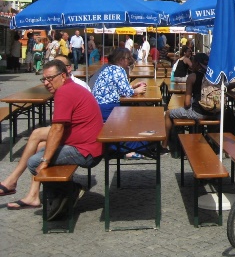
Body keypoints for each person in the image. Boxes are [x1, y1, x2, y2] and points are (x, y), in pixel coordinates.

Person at [1, 59, 103, 211]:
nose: (47, 83)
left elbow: (57, 129)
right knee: (40, 144)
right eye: (44, 79)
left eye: (50, 78)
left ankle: (71, 190)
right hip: (88, 144)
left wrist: (45, 160)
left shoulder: (64, 92)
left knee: (34, 162)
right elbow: (59, 129)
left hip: (86, 151)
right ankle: (33, 195)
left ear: (63, 76)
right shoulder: (70, 88)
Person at [161, 53, 220, 152]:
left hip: (198, 113)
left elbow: (187, 103)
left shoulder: (192, 77)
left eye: (193, 62)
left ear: (197, 63)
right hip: (215, 111)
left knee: (168, 113)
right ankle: (211, 142)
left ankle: (164, 145)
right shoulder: (215, 76)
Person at [91, 48, 147, 122]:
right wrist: (137, 90)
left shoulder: (108, 68)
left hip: (97, 106)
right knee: (132, 119)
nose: (130, 61)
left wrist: (132, 86)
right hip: (108, 107)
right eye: (128, 58)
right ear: (121, 60)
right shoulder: (118, 70)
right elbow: (125, 92)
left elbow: (117, 88)